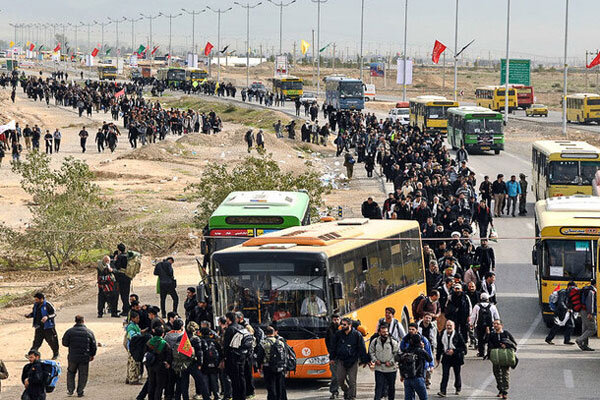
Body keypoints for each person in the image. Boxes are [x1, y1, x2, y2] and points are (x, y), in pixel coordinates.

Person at [329, 317, 370, 400]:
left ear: (350, 325)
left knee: (352, 381)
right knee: (340, 379)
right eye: (342, 324)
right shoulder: (338, 334)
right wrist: (332, 358)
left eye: (344, 325)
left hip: (353, 361)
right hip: (341, 360)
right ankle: (346, 391)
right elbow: (333, 347)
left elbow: (362, 348)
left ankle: (352, 397)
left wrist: (365, 360)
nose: (342, 326)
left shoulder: (357, 335)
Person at [62, 315, 97, 397]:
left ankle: (70, 390)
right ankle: (80, 391)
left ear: (75, 321)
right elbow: (93, 346)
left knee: (71, 373)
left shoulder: (69, 331)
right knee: (83, 374)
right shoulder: (89, 332)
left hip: (72, 357)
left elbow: (64, 343)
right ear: (83, 321)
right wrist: (92, 355)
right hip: (84, 358)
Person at [435, 320, 467, 397]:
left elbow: (463, 348)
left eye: (450, 326)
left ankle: (458, 388)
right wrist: (438, 358)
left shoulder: (458, 335)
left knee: (457, 374)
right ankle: (443, 391)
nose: (449, 327)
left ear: (454, 327)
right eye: (447, 325)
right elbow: (439, 346)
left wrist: (454, 351)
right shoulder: (442, 334)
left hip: (456, 357)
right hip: (446, 357)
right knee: (445, 374)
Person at [487, 320, 517, 400]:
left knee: (505, 375)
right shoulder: (492, 335)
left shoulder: (506, 334)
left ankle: (505, 391)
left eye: (497, 324)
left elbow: (514, 344)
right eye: (494, 324)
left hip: (505, 357)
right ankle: (500, 389)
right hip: (496, 357)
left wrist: (506, 345)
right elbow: (489, 344)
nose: (495, 325)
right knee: (497, 374)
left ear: (501, 325)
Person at [369, 322, 399, 400]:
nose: (385, 334)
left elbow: (396, 354)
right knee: (378, 386)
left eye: (386, 332)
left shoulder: (393, 342)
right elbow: (371, 351)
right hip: (379, 368)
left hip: (391, 369)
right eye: (383, 332)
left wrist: (391, 362)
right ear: (379, 333)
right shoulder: (375, 341)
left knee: (391, 387)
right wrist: (375, 360)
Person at [401, 327, 433, 400]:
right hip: (418, 377)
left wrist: (402, 375)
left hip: (407, 378)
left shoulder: (407, 350)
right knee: (423, 398)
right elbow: (429, 358)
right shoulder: (420, 351)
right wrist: (423, 348)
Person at [25, 292, 59, 360]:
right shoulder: (35, 305)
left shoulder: (48, 305)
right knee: (36, 342)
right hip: (39, 327)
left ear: (42, 299)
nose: (36, 301)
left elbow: (54, 314)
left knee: (52, 341)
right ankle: (31, 355)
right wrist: (29, 315)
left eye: (37, 299)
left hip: (48, 327)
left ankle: (56, 354)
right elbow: (34, 313)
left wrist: (47, 317)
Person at [258, 325, 288, 400]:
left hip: (268, 367)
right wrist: (285, 367)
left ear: (265, 333)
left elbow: (260, 356)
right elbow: (284, 356)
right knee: (279, 387)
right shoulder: (281, 342)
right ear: (273, 333)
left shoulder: (263, 343)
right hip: (279, 367)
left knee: (270, 387)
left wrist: (259, 367)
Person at [223, 312, 247, 400]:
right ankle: (243, 396)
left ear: (229, 319)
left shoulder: (230, 329)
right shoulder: (241, 327)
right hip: (242, 356)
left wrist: (224, 357)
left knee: (234, 378)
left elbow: (226, 345)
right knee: (241, 376)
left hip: (232, 357)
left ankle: (236, 396)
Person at [545, 281, 576, 345]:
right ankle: (549, 339)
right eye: (573, 287)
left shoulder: (569, 293)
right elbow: (560, 302)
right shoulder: (563, 292)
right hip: (560, 312)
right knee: (557, 325)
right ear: (569, 286)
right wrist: (566, 309)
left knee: (571, 325)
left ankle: (567, 340)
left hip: (566, 312)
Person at [469, 293, 500, 358]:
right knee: (490, 339)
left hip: (479, 325)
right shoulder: (492, 306)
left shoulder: (477, 306)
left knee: (480, 339)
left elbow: (473, 316)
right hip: (490, 325)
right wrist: (497, 324)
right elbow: (496, 317)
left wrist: (471, 324)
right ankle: (489, 353)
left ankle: (481, 352)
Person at [146, 327, 173, 400]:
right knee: (159, 385)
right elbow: (169, 355)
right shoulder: (164, 344)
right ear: (163, 334)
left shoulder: (149, 342)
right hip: (160, 366)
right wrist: (168, 363)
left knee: (151, 383)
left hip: (151, 365)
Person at [576, 279, 597, 351]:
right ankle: (579, 340)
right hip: (587, 312)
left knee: (585, 329)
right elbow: (590, 303)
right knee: (593, 329)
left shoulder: (586, 289)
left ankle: (584, 345)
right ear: (596, 284)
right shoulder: (591, 291)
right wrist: (590, 313)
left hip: (583, 311)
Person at [325, 314, 341, 399]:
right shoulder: (329, 329)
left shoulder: (343, 328)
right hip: (334, 356)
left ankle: (348, 391)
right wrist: (330, 353)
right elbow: (327, 341)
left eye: (337, 319)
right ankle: (334, 391)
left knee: (346, 376)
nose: (336, 321)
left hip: (344, 356)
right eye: (334, 320)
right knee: (334, 376)